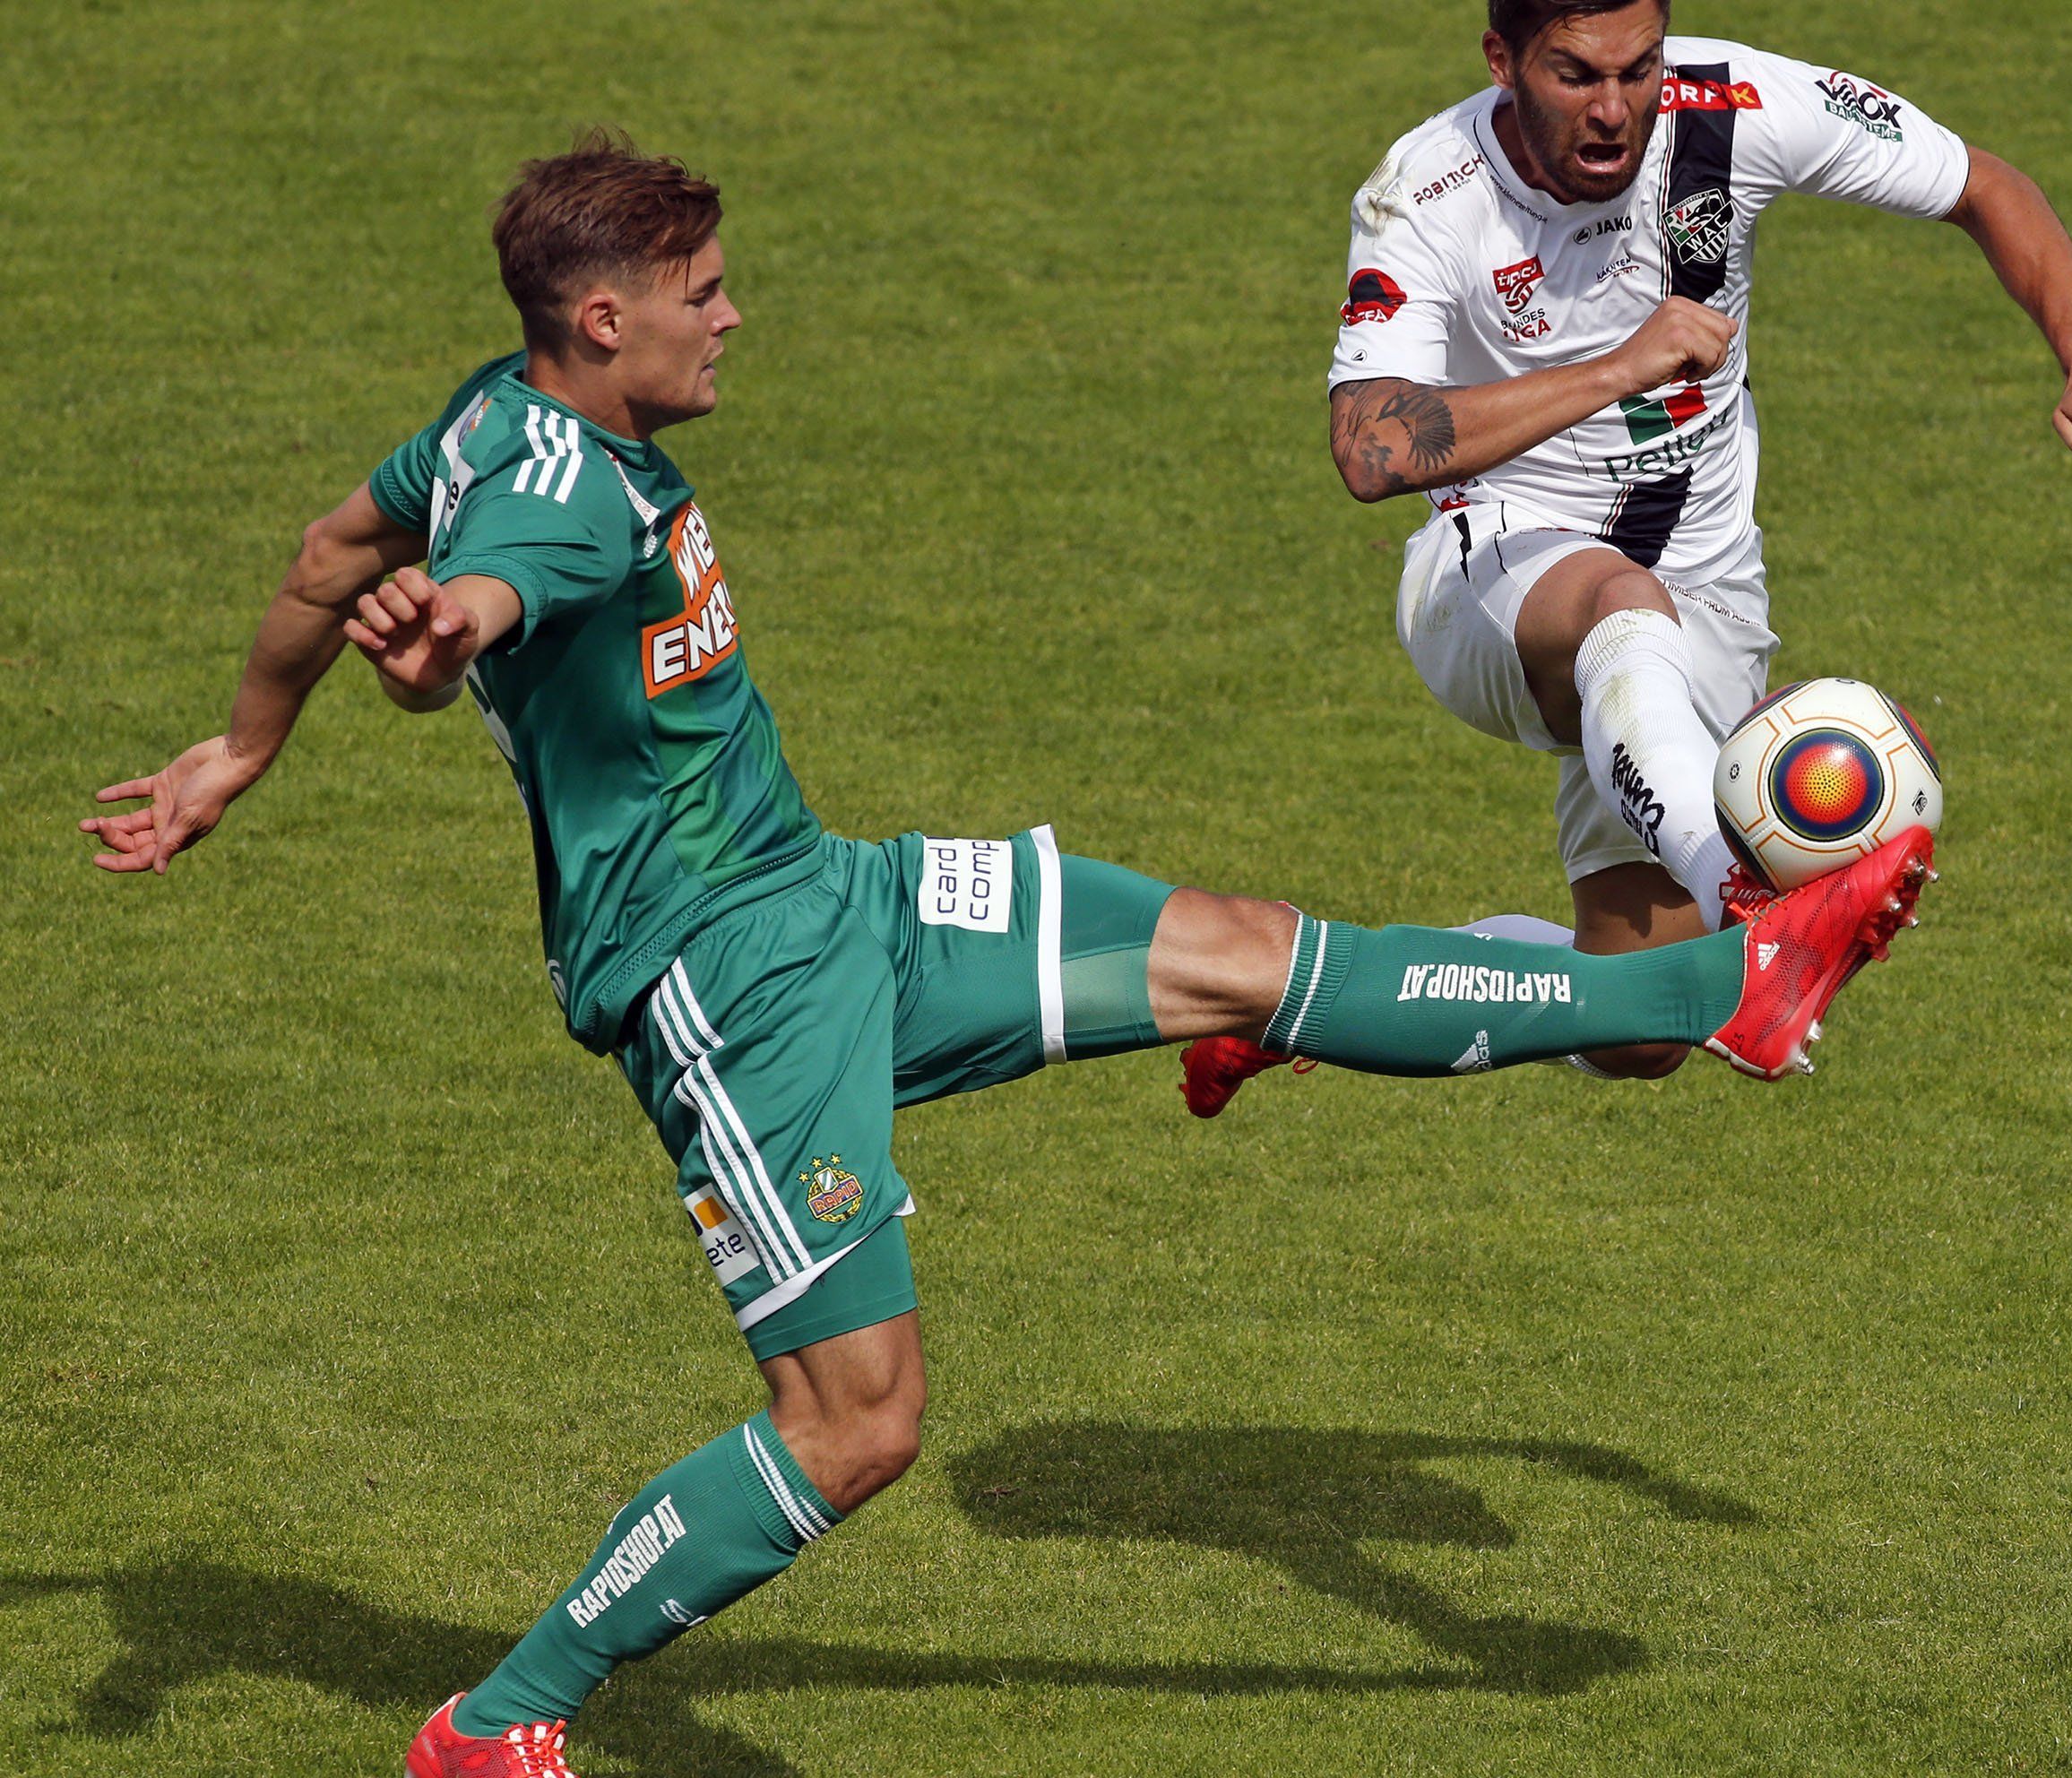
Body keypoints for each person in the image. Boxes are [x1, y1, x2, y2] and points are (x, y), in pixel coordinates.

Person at [80, 132, 1929, 1775]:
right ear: (596, 316)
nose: (733, 318)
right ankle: (495, 1724)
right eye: (698, 297)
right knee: (859, 1420)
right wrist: (443, 641)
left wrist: (245, 742)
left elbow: (341, 546)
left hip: (834, 896)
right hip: (728, 991)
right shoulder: (555, 493)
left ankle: (1718, 987)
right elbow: (471, 593)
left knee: (1242, 949)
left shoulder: (495, 412)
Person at [1184, 0, 2072, 1114]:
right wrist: (1623, 365)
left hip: (1706, 604)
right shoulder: (1429, 190)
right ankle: (1756, 917)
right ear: (1500, 60)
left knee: (1636, 1021)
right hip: (1493, 578)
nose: (1615, 110)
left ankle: (1299, 993)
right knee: (1622, 606)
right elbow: (1371, 447)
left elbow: (1981, 182)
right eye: (1574, 75)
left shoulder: (1734, 107)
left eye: (1638, 68)